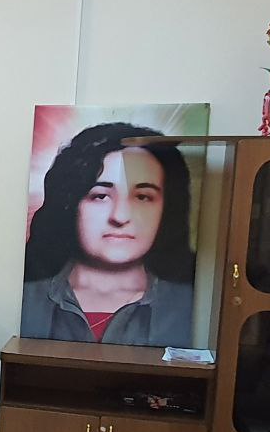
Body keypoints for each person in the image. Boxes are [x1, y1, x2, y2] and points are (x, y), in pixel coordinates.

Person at [20, 122, 195, 347]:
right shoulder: (25, 300)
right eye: (100, 196)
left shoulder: (190, 305)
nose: (120, 216)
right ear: (70, 203)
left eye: (143, 197)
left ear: (167, 208)